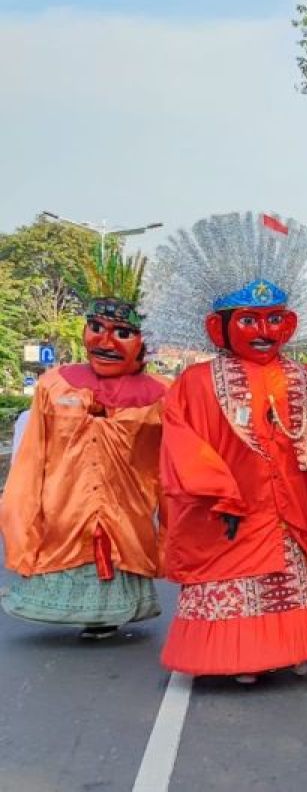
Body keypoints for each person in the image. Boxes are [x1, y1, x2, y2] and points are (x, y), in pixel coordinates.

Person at [144, 212, 307, 683]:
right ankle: (243, 658)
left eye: (273, 319)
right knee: (239, 579)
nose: (263, 330)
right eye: (249, 319)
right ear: (220, 328)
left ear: (288, 324)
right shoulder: (196, 381)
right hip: (231, 511)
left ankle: (294, 647)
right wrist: (217, 490)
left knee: (290, 580)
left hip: (289, 507)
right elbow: (181, 444)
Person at [1, 247, 168, 638]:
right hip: (66, 511)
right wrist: (23, 525)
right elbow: (31, 461)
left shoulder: (164, 393)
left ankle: (109, 616)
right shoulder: (54, 383)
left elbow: (176, 463)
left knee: (119, 548)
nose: (106, 341)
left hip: (128, 513)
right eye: (96, 327)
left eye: (123, 333)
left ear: (143, 342)